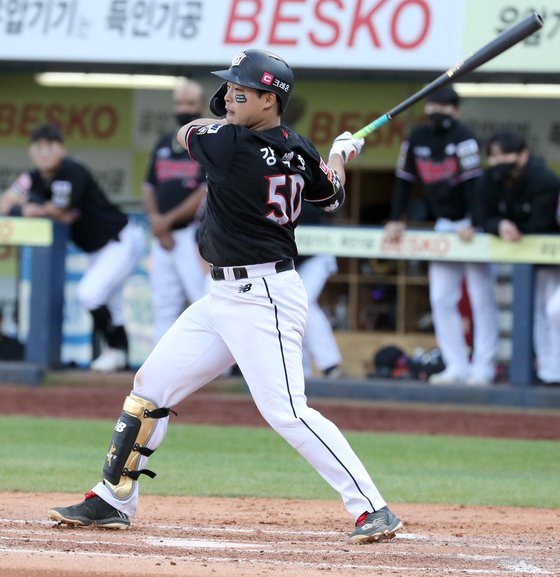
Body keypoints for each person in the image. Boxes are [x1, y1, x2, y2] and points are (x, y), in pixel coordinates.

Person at [48, 49, 403, 544]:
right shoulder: (298, 148)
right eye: (229, 88)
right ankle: (113, 498)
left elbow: (185, 131)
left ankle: (371, 507)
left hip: (263, 295)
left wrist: (314, 151)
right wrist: (340, 154)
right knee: (151, 386)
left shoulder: (230, 142)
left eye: (241, 90)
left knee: (286, 410)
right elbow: (332, 194)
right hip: (221, 296)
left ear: (268, 98)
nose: (229, 97)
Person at [0, 123, 144, 372]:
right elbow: (5, 202)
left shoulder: (73, 170)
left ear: (62, 149)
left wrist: (35, 205)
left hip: (120, 239)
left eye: (50, 147)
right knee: (112, 304)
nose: (44, 153)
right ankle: (121, 358)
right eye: (39, 147)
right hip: (95, 247)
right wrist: (27, 207)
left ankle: (113, 350)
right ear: (31, 151)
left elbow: (61, 211)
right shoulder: (31, 177)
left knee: (90, 293)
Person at [384, 86, 499, 386]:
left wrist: (474, 222)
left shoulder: (465, 137)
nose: (438, 111)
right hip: (444, 224)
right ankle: (456, 365)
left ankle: (483, 367)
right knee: (441, 297)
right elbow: (403, 181)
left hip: (471, 226)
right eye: (434, 105)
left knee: (480, 297)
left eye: (445, 106)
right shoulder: (416, 138)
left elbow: (475, 184)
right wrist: (396, 219)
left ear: (456, 111)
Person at [477, 130, 560, 385]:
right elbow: (481, 213)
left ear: (523, 155)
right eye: (495, 157)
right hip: (540, 259)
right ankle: (550, 371)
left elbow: (540, 223)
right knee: (542, 311)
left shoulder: (544, 179)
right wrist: (499, 224)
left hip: (549, 253)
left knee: (554, 311)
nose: (500, 163)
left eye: (506, 156)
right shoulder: (490, 179)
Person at [144, 79, 210, 343]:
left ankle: (220, 368)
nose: (184, 109)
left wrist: (165, 222)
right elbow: (149, 186)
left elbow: (202, 191)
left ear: (201, 106)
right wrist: (157, 223)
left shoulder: (207, 141)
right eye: (180, 103)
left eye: (190, 103)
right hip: (163, 238)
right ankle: (159, 370)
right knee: (163, 304)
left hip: (191, 236)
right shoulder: (163, 141)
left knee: (202, 300)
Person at [296, 202, 343, 378]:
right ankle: (301, 370)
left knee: (304, 303)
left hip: (316, 253)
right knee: (288, 309)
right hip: (285, 257)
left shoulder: (305, 178)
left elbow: (331, 202)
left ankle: (329, 364)